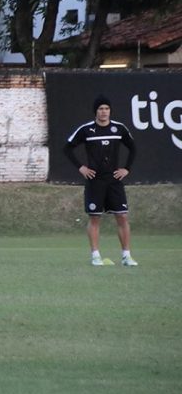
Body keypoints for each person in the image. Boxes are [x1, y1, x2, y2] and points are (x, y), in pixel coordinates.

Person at [64, 95, 138, 267]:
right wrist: (81, 167)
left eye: (106, 109)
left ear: (110, 111)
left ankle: (126, 256)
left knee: (122, 216)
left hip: (114, 180)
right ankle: (95, 256)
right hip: (95, 181)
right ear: (95, 111)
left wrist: (127, 168)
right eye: (100, 109)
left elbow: (133, 148)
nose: (104, 112)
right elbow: (67, 148)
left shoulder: (119, 128)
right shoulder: (86, 130)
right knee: (95, 218)